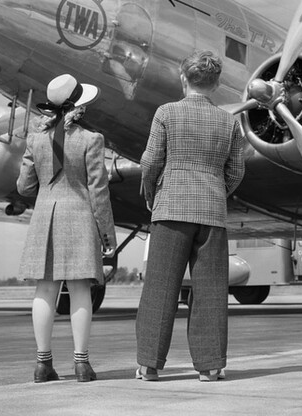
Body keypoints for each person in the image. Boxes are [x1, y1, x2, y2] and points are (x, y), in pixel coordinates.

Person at [135, 50, 245, 382]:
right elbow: (237, 171)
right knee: (211, 291)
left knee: (159, 288)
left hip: (170, 209)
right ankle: (211, 366)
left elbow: (150, 162)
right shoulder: (230, 121)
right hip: (211, 212)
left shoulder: (166, 113)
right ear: (216, 84)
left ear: (184, 79)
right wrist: (216, 190)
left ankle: (149, 365)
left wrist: (155, 194)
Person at [16, 73, 117, 383]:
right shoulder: (92, 140)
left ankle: (42, 365)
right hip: (79, 217)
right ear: (79, 106)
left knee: (44, 290)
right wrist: (107, 234)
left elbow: (23, 186)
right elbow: (98, 191)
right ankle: (82, 365)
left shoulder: (34, 139)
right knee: (80, 291)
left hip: (44, 217)